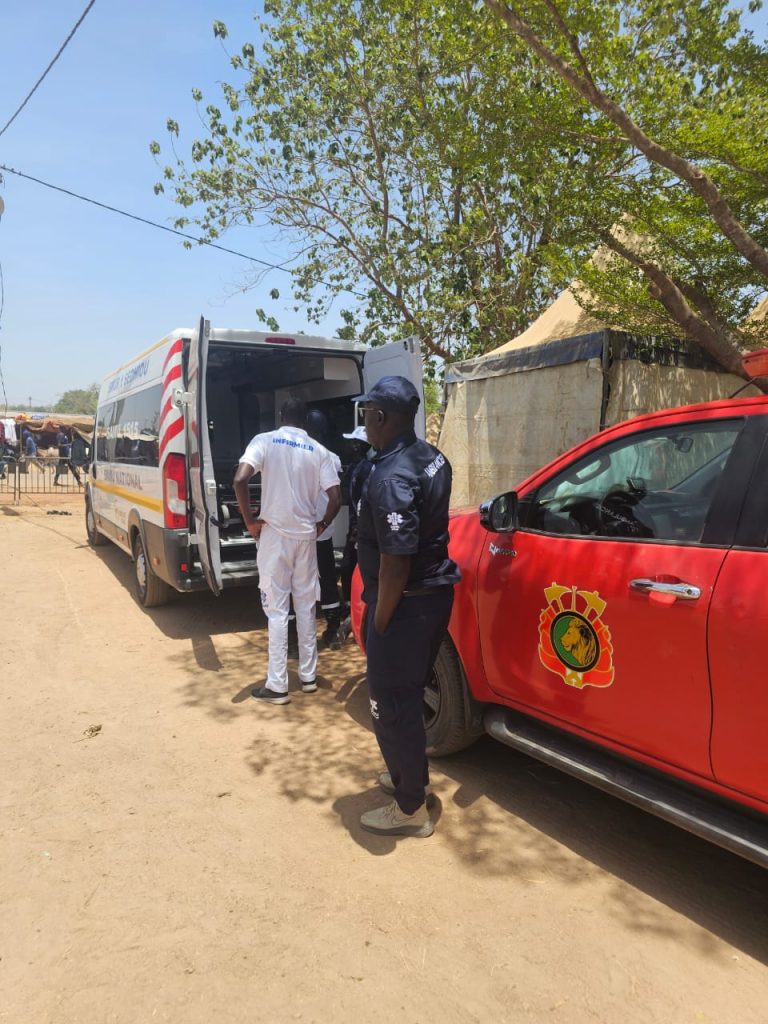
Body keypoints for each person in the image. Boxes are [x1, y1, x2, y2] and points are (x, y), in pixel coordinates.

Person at [354, 376, 460, 839]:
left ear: (380, 416)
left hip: (405, 604)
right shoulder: (432, 457)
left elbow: (396, 561)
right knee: (408, 696)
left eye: (366, 414)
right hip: (432, 599)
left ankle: (410, 807)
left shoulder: (390, 477)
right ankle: (410, 777)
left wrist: (379, 622)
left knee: (389, 704)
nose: (364, 423)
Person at [234, 399, 341, 705]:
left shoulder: (265, 441)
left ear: (281, 416)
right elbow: (335, 497)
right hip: (306, 538)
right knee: (306, 607)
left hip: (276, 537)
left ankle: (278, 685)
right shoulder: (319, 451)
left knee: (278, 611)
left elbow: (240, 479)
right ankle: (308, 677)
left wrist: (250, 522)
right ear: (304, 422)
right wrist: (323, 524)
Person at [305, 408, 344, 648]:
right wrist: (325, 522)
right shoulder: (333, 458)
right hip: (323, 530)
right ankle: (333, 628)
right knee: (328, 579)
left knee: (298, 582)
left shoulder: (299, 455)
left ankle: (296, 636)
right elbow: (336, 495)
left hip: (300, 531)